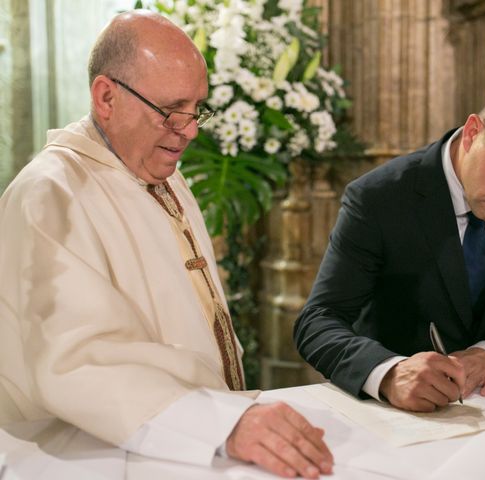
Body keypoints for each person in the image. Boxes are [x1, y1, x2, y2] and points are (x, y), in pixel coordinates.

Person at [0, 11, 333, 479]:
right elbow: (77, 363)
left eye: (197, 108)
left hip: (173, 451)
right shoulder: (50, 195)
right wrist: (220, 425)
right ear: (106, 97)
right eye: (171, 110)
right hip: (83, 459)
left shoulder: (163, 177)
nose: (191, 129)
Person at [294, 69, 485, 412]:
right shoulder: (378, 197)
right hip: (392, 416)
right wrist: (389, 373)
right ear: (472, 132)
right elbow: (317, 321)